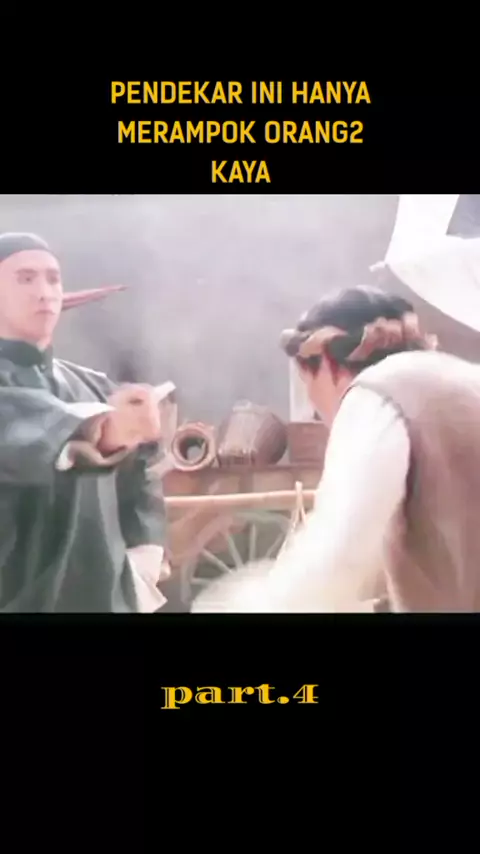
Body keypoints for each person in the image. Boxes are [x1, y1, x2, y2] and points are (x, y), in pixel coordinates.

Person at [192, 284, 480, 613]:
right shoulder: (460, 380)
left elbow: (338, 554)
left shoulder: (375, 395)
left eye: (309, 388)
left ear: (326, 362)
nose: (320, 413)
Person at [0, 231, 168, 613]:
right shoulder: (98, 407)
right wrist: (103, 430)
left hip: (104, 599)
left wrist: (146, 552)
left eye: (53, 279)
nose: (44, 292)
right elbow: (25, 431)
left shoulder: (94, 387)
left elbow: (142, 471)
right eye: (25, 279)